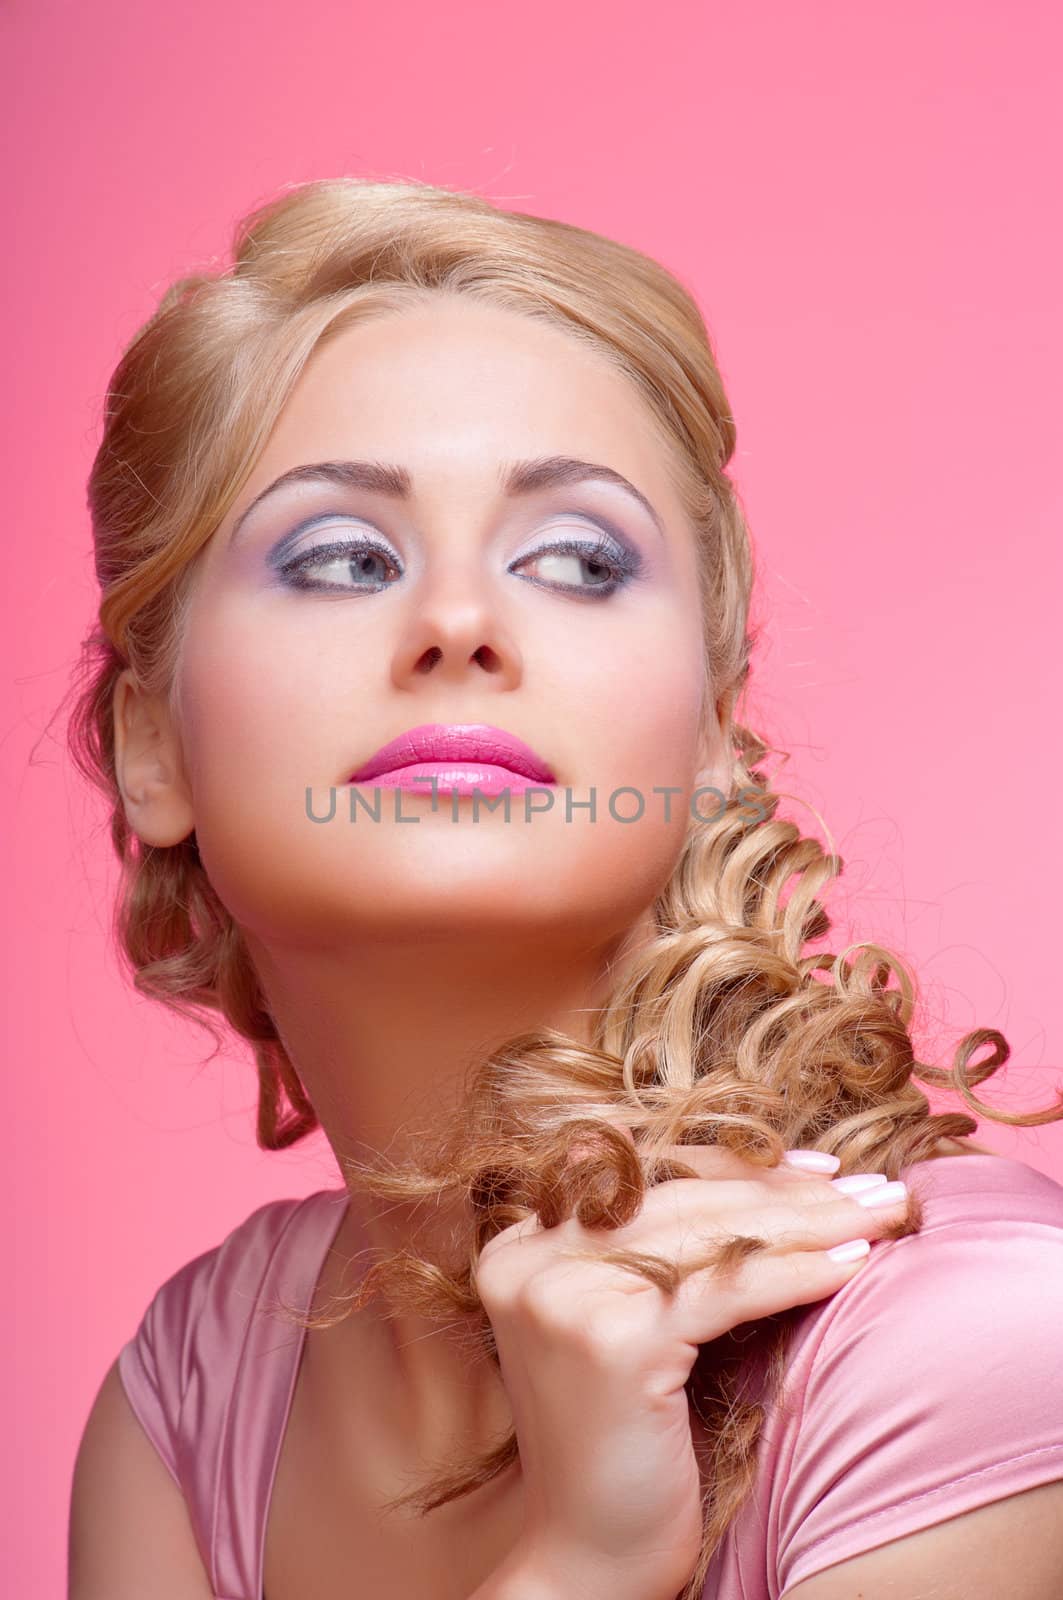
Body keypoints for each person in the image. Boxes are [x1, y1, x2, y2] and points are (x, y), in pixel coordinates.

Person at [67, 177, 1063, 1600]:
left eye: (578, 561)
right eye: (344, 558)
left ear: (715, 731)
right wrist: (579, 1564)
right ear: (153, 745)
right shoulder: (194, 1396)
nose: (460, 624)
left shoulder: (959, 1354)